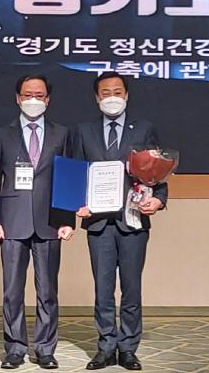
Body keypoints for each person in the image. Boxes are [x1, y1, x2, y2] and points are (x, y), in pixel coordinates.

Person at [72, 71, 168, 371]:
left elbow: (156, 172)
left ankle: (128, 348)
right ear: (96, 97)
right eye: (105, 92)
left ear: (126, 95)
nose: (111, 97)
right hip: (98, 223)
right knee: (102, 289)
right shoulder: (84, 131)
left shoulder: (144, 128)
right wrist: (76, 202)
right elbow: (75, 173)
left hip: (133, 220)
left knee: (131, 288)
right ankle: (105, 347)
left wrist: (159, 199)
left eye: (117, 91)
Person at [0, 75, 75, 370]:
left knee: (47, 291)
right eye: (27, 95)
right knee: (12, 290)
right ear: (17, 98)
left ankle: (45, 349)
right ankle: (14, 348)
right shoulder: (2, 134)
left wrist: (68, 220)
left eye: (39, 95)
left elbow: (68, 178)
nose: (33, 100)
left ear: (48, 99)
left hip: (50, 221)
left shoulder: (62, 134)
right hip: (11, 221)